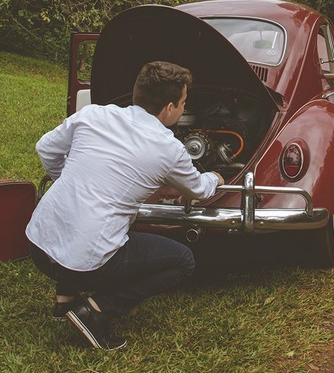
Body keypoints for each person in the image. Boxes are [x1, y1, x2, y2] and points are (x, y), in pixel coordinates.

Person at [25, 60, 224, 350]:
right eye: (183, 103)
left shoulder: (92, 115)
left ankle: (65, 301)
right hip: (83, 265)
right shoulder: (169, 148)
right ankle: (95, 312)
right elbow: (199, 190)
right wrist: (214, 177)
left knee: (81, 221)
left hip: (38, 244)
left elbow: (45, 148)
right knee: (183, 261)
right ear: (169, 109)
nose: (183, 109)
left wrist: (65, 178)